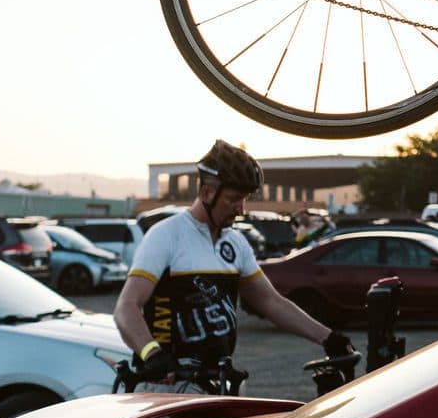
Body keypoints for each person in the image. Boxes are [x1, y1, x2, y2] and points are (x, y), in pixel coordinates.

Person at [115, 141, 352, 393]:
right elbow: (126, 307)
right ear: (206, 193)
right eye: (233, 199)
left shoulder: (236, 242)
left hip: (220, 382)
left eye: (245, 199)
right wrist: (152, 353)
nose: (241, 209)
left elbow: (271, 302)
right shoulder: (166, 235)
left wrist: (328, 338)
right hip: (169, 383)